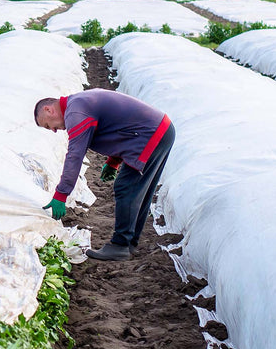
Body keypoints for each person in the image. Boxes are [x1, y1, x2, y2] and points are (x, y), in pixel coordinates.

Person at [34, 89, 175, 261]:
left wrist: (61, 194)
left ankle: (120, 245)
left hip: (150, 133)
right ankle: (129, 243)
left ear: (49, 110)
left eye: (48, 125)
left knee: (127, 187)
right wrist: (113, 162)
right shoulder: (79, 103)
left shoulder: (75, 111)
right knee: (138, 189)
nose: (54, 130)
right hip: (159, 129)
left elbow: (75, 155)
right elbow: (119, 127)